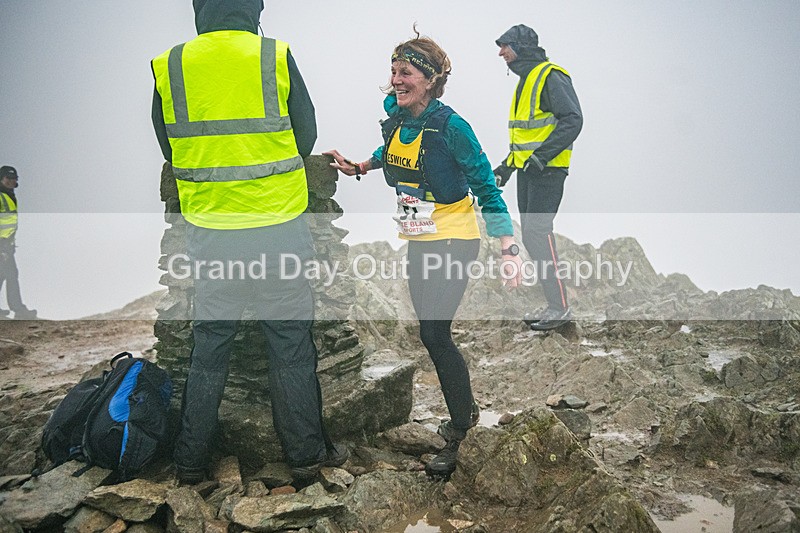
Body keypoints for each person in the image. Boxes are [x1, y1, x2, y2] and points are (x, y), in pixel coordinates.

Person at [150, 0, 345, 484]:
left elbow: (168, 144)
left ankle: (190, 462)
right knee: (289, 344)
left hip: (211, 230)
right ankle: (305, 460)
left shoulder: (170, 64)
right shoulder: (273, 54)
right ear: (251, 9)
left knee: (210, 345)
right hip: (277, 224)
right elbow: (306, 135)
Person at [324, 29, 523, 479]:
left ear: (430, 80)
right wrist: (360, 166)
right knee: (429, 332)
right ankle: (465, 411)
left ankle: (460, 429)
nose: (396, 79)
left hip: (454, 238)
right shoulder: (398, 116)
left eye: (406, 72)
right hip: (418, 238)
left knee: (436, 334)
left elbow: (485, 187)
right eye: (394, 71)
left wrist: (507, 247)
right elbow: (390, 150)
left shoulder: (453, 128)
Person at [493, 24, 583, 331]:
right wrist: (506, 167)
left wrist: (541, 158)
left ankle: (560, 308)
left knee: (538, 232)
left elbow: (573, 120)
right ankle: (555, 305)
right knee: (532, 235)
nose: (500, 52)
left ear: (520, 47)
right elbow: (526, 136)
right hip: (529, 171)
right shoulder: (526, 80)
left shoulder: (551, 76)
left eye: (505, 46)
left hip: (548, 170)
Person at [0, 166, 37, 320]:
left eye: (13, 178)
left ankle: (18, 309)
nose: (11, 181)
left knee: (4, 274)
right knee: (11, 274)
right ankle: (19, 309)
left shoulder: (9, 195)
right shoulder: (2, 196)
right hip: (2, 244)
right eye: (8, 178)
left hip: (6, 245)